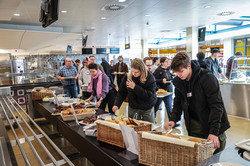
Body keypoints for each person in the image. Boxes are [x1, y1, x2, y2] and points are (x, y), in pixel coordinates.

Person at [164, 52, 230, 154]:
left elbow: (217, 106)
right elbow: (177, 102)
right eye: (176, 72)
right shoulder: (179, 81)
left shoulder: (207, 78)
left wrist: (213, 132)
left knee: (214, 161)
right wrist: (173, 119)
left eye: (181, 71)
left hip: (213, 126)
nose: (178, 75)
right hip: (194, 126)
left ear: (189, 66)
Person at [112, 58, 157, 123]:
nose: (134, 74)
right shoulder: (128, 76)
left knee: (149, 127)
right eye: (132, 71)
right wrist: (117, 104)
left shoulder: (150, 77)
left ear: (142, 70)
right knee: (133, 128)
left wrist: (135, 87)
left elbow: (149, 95)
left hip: (147, 108)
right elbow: (122, 92)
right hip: (133, 107)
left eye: (136, 72)